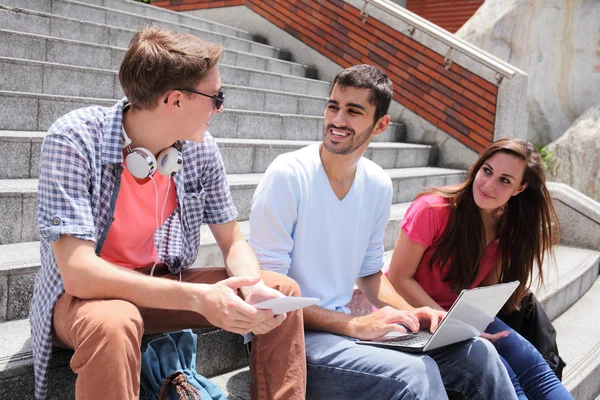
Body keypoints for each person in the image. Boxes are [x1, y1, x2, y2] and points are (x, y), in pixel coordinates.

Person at [29, 26, 306, 400]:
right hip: (85, 301)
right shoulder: (74, 140)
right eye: (215, 97)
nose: (220, 108)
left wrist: (251, 286)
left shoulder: (201, 150)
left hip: (159, 283)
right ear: (175, 100)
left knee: (278, 291)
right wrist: (197, 299)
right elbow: (79, 275)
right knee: (116, 321)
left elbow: (233, 240)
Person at [248, 64, 518, 399]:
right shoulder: (288, 175)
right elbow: (269, 295)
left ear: (381, 125)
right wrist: (353, 325)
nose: (337, 120)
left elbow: (370, 276)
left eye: (353, 111)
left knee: (480, 355)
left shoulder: (377, 183)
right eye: (333, 106)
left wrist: (413, 313)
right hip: (292, 339)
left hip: (345, 332)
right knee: (415, 376)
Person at [386, 137, 573, 399]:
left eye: (505, 180)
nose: (488, 185)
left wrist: (474, 319)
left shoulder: (506, 224)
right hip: (410, 317)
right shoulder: (432, 209)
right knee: (505, 374)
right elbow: (397, 278)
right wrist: (451, 322)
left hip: (459, 317)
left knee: (534, 365)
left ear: (520, 188)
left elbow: (483, 289)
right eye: (487, 171)